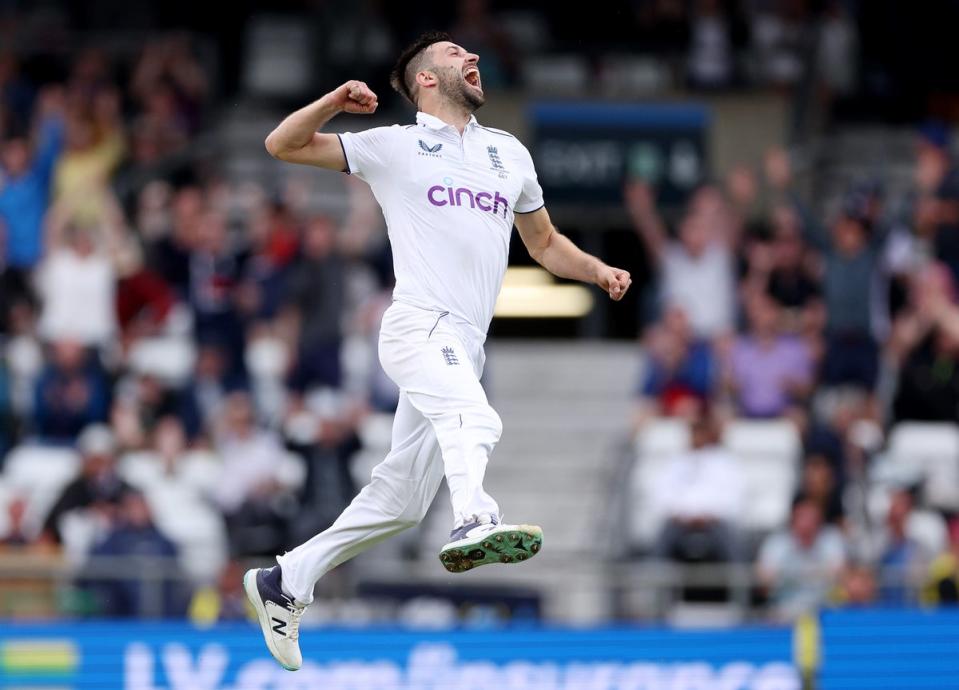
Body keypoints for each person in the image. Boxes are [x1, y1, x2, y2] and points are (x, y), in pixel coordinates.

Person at [244, 31, 632, 670]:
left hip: (465, 345)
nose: (471, 58)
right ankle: (475, 519)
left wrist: (597, 271)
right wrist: (334, 102)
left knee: (400, 505)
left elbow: (544, 243)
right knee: (476, 418)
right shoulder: (394, 146)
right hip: (421, 326)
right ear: (425, 79)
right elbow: (280, 144)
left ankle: (285, 581)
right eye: (455, 54)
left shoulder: (510, 155)